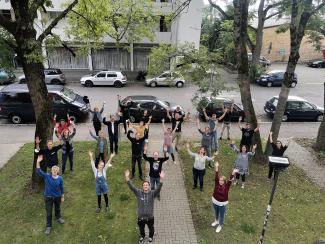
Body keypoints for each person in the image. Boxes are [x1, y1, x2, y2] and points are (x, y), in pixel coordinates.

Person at [125, 169, 165, 244]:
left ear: (149, 186)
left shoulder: (152, 193)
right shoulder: (139, 193)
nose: (145, 186)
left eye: (147, 185)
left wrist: (162, 178)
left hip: (150, 217)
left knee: (151, 229)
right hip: (141, 217)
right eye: (144, 185)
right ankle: (142, 237)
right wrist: (127, 177)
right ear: (142, 187)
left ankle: (150, 237)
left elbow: (159, 188)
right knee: (141, 229)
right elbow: (132, 187)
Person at [36, 155, 65, 235]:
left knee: (58, 209)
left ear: (58, 171)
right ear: (51, 171)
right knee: (49, 213)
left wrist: (62, 196)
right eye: (53, 170)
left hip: (57, 197)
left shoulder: (60, 179)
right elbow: (38, 171)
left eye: (56, 170)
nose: (54, 171)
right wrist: (38, 161)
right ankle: (48, 226)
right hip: (48, 198)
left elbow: (62, 188)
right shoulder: (47, 176)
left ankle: (58, 217)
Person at [211, 161, 238, 233]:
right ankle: (216, 221)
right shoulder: (217, 183)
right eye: (220, 180)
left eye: (221, 180)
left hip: (222, 204)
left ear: (224, 181)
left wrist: (233, 173)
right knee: (216, 212)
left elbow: (230, 179)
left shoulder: (227, 186)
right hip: (215, 201)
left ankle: (220, 225)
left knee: (221, 215)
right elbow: (216, 175)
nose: (220, 181)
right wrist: (217, 167)